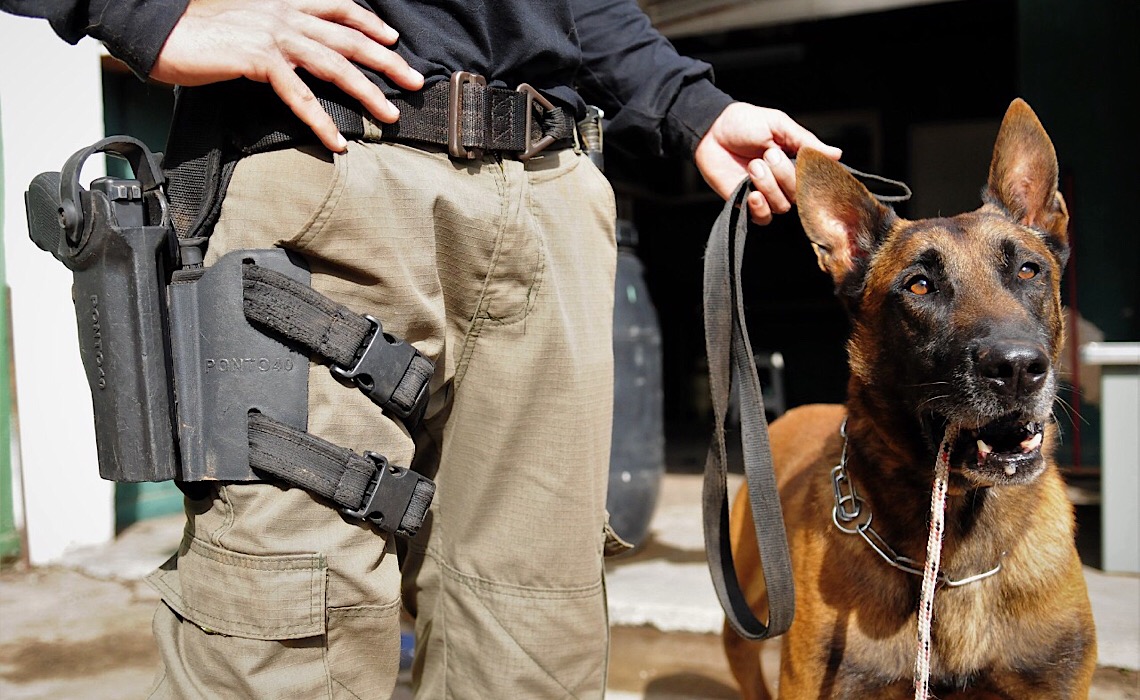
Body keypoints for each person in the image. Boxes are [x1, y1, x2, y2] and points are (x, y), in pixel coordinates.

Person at [4, 0, 840, 697]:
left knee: (533, 649)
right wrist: (150, 16)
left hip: (550, 187)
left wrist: (688, 104)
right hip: (322, 170)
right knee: (283, 645)